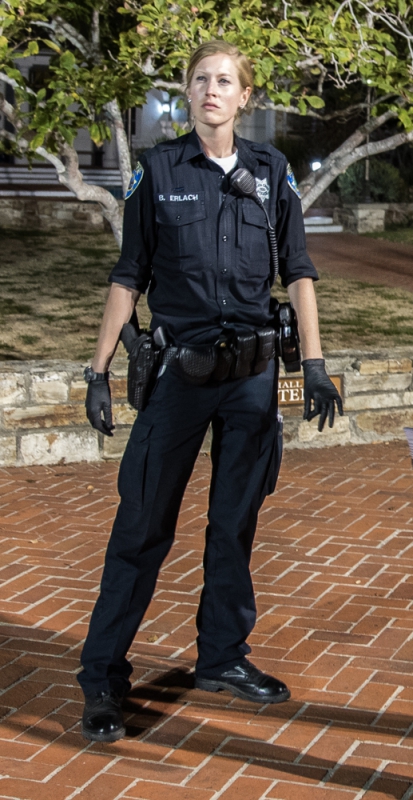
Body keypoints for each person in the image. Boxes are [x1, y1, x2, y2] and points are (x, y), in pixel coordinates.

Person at [78, 40, 343, 742]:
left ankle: (222, 656)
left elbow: (298, 270)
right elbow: (128, 274)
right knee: (142, 527)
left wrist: (314, 364)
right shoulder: (158, 169)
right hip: (180, 377)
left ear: (244, 96)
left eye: (225, 80)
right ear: (187, 92)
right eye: (200, 80)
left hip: (253, 379)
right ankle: (101, 678)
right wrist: (97, 370)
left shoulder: (271, 170)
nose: (211, 90)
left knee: (234, 524)